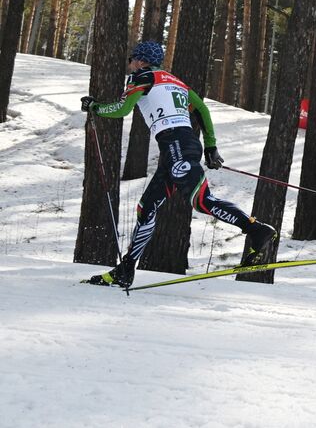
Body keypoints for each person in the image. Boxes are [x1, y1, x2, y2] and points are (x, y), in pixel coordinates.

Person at [81, 40, 276, 288]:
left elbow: (122, 109)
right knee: (146, 208)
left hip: (175, 144)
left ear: (140, 60)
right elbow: (202, 109)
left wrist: (95, 107)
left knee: (201, 200)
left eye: (131, 59)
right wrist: (211, 146)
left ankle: (256, 229)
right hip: (179, 146)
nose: (129, 64)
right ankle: (126, 269)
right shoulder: (176, 82)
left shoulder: (142, 77)